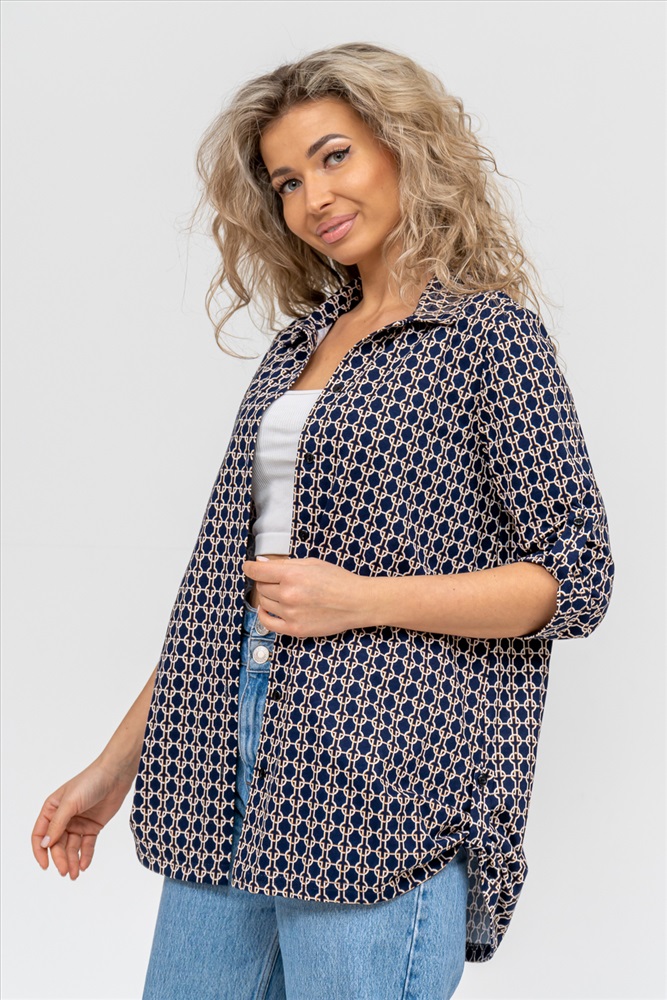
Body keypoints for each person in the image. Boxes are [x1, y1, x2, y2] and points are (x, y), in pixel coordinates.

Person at [31, 42, 615, 1000]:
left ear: (404, 146)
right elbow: (226, 593)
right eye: (288, 182)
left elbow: (575, 578)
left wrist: (361, 600)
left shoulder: (487, 337)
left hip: (376, 772)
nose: (313, 198)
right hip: (218, 758)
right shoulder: (296, 345)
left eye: (334, 156)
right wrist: (115, 763)